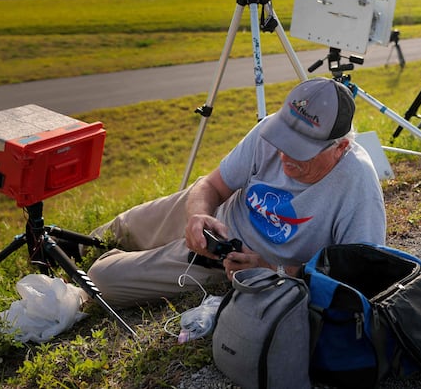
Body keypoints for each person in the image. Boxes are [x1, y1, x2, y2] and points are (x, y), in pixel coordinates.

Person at [86, 77, 387, 308]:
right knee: (117, 229)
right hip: (212, 219)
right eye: (284, 142)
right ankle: (53, 253)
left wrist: (272, 269)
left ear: (341, 147)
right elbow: (212, 185)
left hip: (228, 262)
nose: (284, 156)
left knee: (101, 281)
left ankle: (86, 278)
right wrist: (199, 215)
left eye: (301, 151)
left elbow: (357, 276)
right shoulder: (270, 130)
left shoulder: (357, 183)